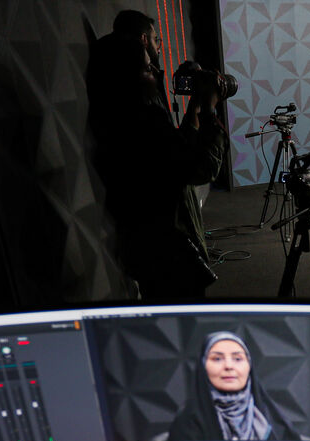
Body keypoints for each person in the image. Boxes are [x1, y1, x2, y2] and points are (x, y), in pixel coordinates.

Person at [86, 10, 227, 299]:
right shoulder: (142, 120)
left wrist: (194, 108)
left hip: (147, 248)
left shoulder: (115, 114)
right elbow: (201, 168)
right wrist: (210, 112)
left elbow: (175, 151)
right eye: (148, 70)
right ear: (131, 78)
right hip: (168, 250)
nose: (154, 73)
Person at [168, 331, 300, 441]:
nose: (229, 366)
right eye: (217, 359)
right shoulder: (186, 423)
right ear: (203, 366)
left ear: (249, 366)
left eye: (237, 359)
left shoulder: (274, 420)